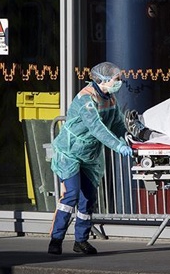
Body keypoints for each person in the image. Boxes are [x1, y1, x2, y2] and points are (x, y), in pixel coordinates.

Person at [47, 62, 133, 255]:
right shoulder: (86, 99)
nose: (119, 82)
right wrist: (117, 146)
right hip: (70, 152)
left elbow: (117, 124)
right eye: (116, 79)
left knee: (88, 198)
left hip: (90, 154)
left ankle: (81, 241)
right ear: (102, 79)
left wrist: (128, 138)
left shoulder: (109, 98)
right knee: (71, 195)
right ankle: (56, 239)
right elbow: (97, 128)